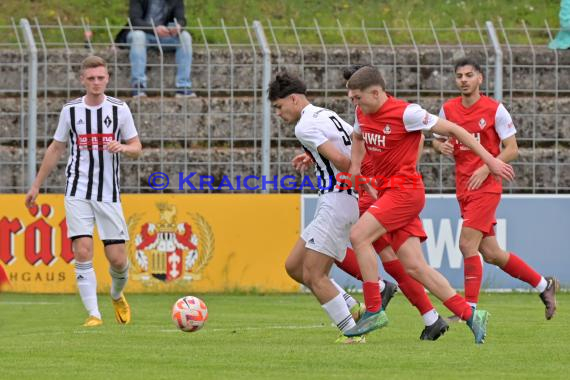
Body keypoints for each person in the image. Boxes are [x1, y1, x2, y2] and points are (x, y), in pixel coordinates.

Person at [342, 65, 515, 344]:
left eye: (357, 98)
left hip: (405, 192)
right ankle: (471, 316)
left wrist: (491, 160)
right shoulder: (362, 112)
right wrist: (355, 170)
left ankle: (374, 309)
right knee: (414, 267)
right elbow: (358, 137)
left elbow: (456, 130)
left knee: (358, 235)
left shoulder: (407, 113)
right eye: (352, 99)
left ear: (376, 92)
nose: (354, 103)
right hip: (387, 193)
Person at [433, 58, 559, 320]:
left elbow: (512, 149)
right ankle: (543, 286)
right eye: (459, 76)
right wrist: (440, 147)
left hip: (486, 187)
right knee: (491, 253)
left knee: (467, 245)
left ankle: (469, 311)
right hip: (464, 187)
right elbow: (437, 139)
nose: (464, 80)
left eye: (469, 75)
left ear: (480, 78)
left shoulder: (494, 109)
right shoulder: (448, 109)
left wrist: (487, 167)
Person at [25, 56, 142, 327]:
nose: (96, 82)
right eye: (91, 78)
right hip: (77, 189)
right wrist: (36, 185)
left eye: (101, 77)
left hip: (109, 193)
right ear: (82, 80)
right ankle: (94, 314)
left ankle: (116, 294)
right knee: (82, 250)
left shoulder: (120, 109)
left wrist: (123, 148)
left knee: (118, 259)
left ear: (108, 78)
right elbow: (56, 148)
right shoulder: (71, 111)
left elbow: (136, 146)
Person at [269, 72, 364, 343]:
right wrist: (313, 156)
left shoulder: (304, 126)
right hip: (340, 198)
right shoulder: (325, 114)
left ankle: (353, 331)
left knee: (314, 273)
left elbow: (343, 162)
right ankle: (352, 306)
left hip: (337, 198)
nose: (278, 113)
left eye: (279, 106)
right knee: (294, 266)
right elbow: (353, 143)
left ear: (294, 99)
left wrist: (358, 179)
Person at [115, 0, 194, 97]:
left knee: (185, 36)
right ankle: (138, 85)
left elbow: (181, 19)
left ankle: (183, 86)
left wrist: (178, 27)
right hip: (142, 34)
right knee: (138, 36)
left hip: (165, 36)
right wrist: (153, 29)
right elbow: (135, 21)